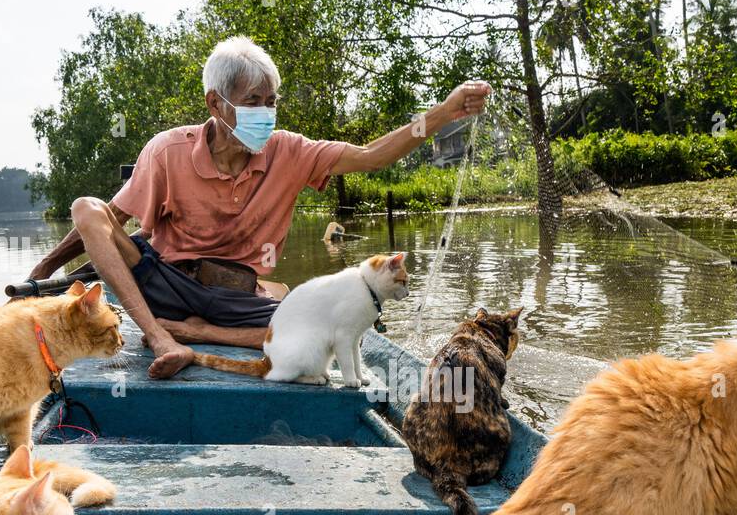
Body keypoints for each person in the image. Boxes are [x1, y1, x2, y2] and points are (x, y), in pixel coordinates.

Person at [30, 36, 490, 379]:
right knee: (86, 207)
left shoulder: (289, 151)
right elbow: (107, 221)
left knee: (313, 327)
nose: (265, 114)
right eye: (253, 102)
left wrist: (443, 114)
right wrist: (44, 272)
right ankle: (159, 334)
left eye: (271, 102)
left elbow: (370, 157)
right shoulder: (167, 151)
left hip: (236, 298)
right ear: (217, 103)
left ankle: (194, 334)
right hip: (166, 284)